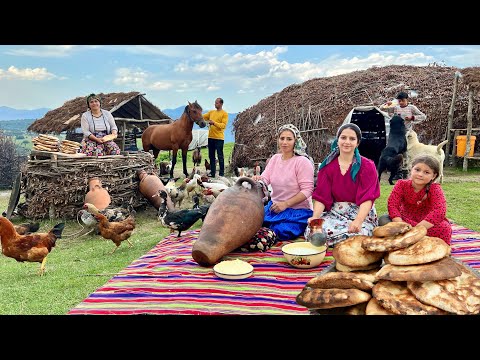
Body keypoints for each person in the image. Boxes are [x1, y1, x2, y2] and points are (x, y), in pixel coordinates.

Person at [307, 123, 380, 246]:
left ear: (357, 143)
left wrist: (358, 221)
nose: (347, 142)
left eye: (352, 139)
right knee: (314, 229)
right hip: (335, 212)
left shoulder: (368, 166)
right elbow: (322, 197)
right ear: (338, 140)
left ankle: (343, 242)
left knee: (359, 233)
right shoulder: (327, 167)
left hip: (360, 212)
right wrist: (315, 217)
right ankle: (333, 241)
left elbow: (368, 198)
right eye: (343, 137)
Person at [251, 123, 314, 243]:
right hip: (275, 207)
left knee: (281, 231)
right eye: (282, 138)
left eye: (289, 139)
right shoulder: (275, 159)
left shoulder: (302, 162)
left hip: (297, 211)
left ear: (296, 141)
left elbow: (307, 190)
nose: (284, 142)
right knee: (253, 221)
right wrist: (258, 179)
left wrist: (285, 204)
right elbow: (265, 179)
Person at [383, 154, 452, 245]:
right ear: (411, 169)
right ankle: (412, 239)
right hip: (405, 221)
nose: (420, 174)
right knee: (383, 219)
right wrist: (400, 224)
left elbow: (439, 211)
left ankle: (413, 239)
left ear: (433, 176)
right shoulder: (401, 184)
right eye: (417, 170)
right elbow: (392, 205)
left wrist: (417, 230)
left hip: (426, 223)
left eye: (426, 172)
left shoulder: (435, 188)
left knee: (445, 228)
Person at [202, 98, 228, 177]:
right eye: (215, 103)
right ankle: (213, 173)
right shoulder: (211, 112)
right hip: (211, 137)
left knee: (220, 156)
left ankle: (221, 174)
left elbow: (223, 126)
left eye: (216, 103)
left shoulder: (224, 114)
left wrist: (214, 123)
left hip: (219, 138)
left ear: (221, 104)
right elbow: (202, 117)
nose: (215, 104)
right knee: (211, 156)